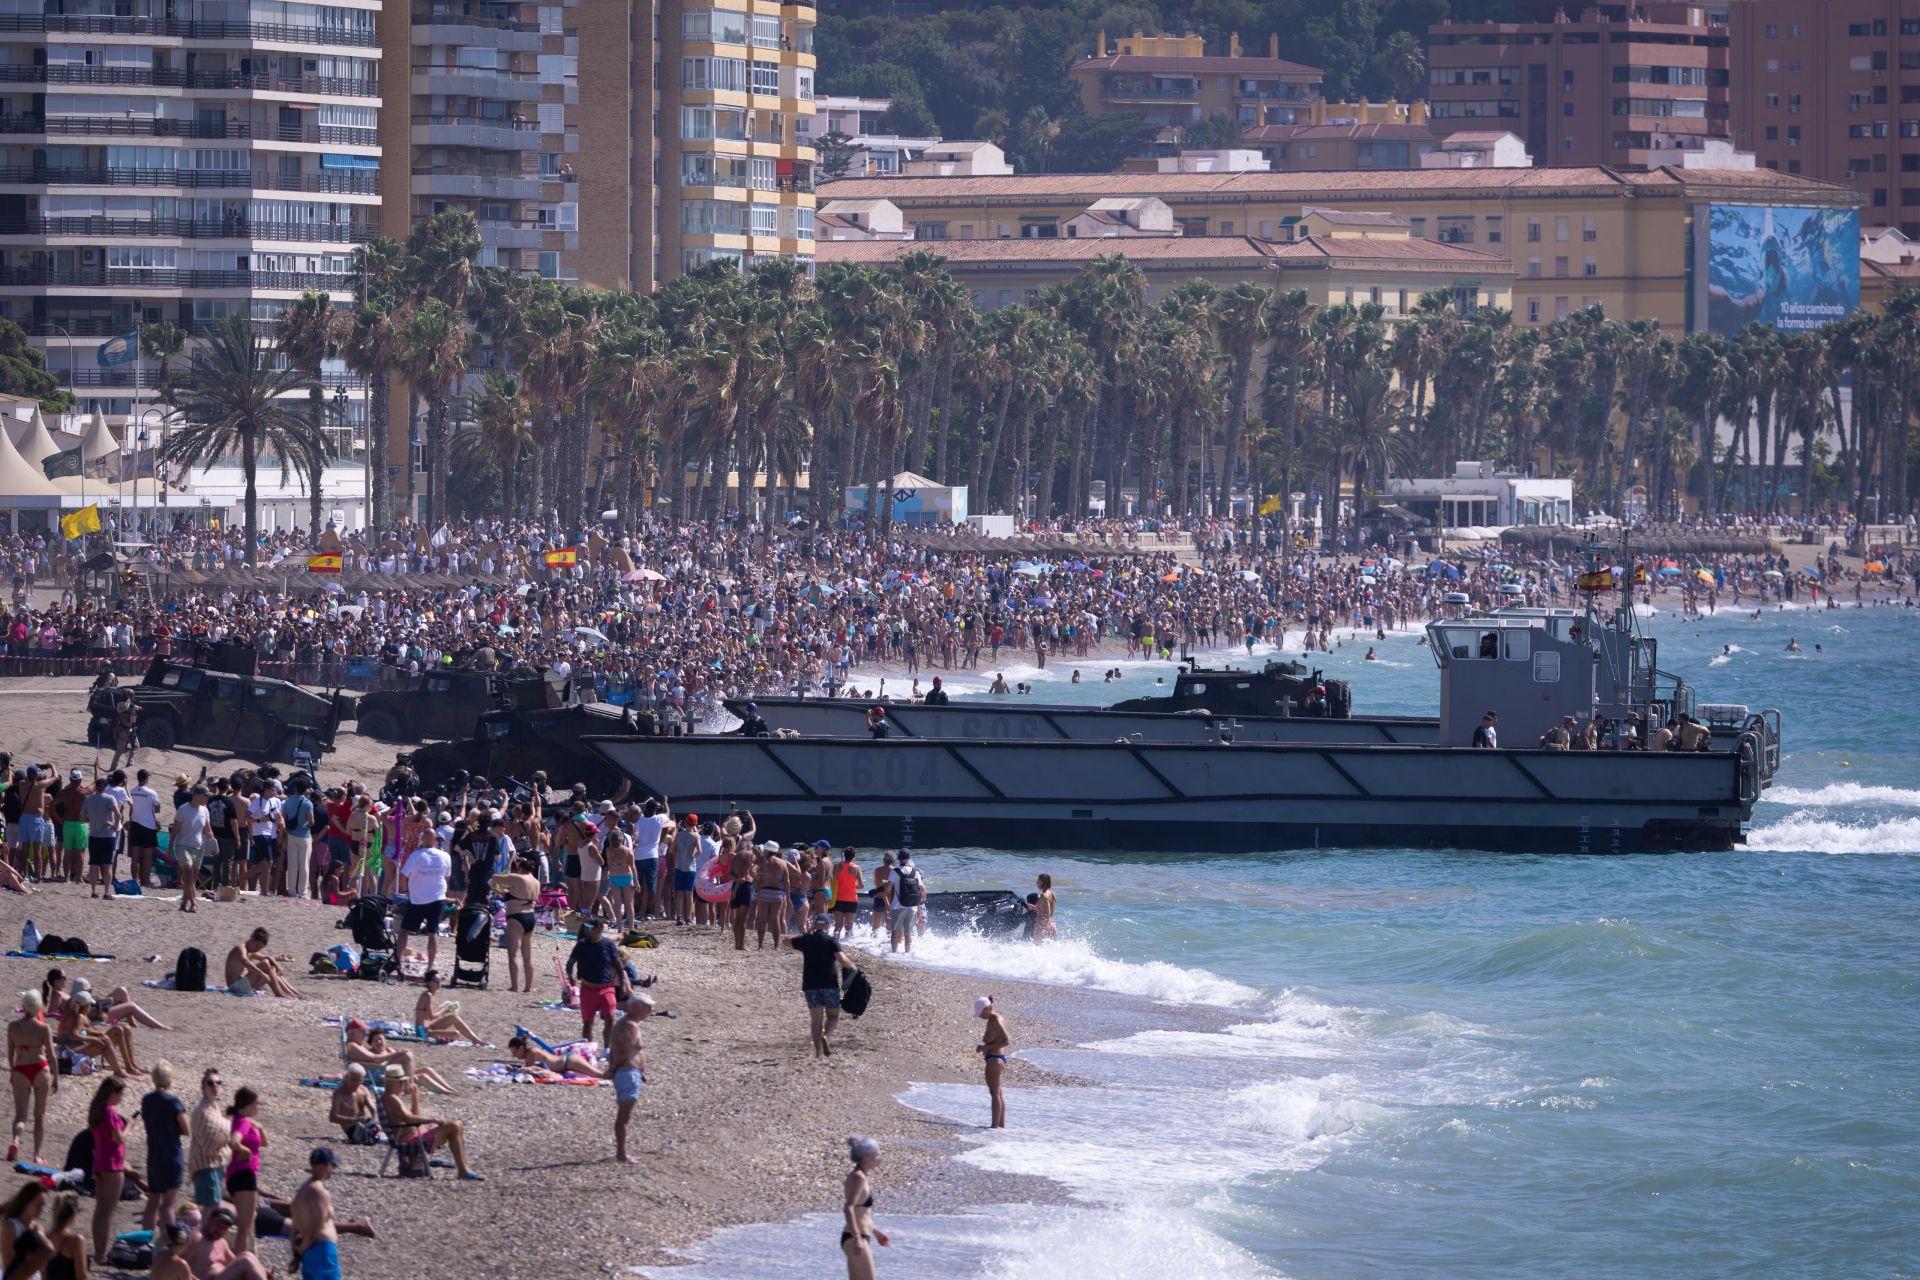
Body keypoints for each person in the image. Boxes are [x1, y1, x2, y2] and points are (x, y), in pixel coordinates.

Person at [378, 1065, 481, 1180]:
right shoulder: (391, 1098)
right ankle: (463, 1170)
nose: (403, 1085)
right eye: (402, 1082)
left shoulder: (391, 1097)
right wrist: (433, 1119)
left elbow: (412, 1116)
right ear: (395, 1083)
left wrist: (415, 1098)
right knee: (454, 1126)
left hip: (413, 1136)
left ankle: (464, 1169)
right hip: (410, 1141)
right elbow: (409, 1118)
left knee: (458, 1125)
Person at [790, 914, 855, 1058]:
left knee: (816, 1020)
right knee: (832, 1016)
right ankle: (826, 1035)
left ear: (814, 925)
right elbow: (842, 960)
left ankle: (818, 1053)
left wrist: (805, 934)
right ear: (828, 926)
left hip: (810, 985)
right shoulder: (830, 940)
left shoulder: (806, 940)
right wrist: (854, 968)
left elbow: (786, 941)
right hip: (829, 984)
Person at [7, 989, 55, 1166]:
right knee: (40, 1114)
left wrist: (13, 1072)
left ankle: (16, 1141)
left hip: (21, 1069)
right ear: (39, 1007)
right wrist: (56, 1076)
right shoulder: (43, 1028)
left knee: (20, 1115)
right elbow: (51, 1055)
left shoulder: (13, 1027)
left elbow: (10, 1055)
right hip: (40, 1069)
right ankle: (36, 1155)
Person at [141, 1061, 188, 1234]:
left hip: (154, 1154)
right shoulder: (173, 1101)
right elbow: (186, 1128)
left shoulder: (147, 1100)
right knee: (168, 1204)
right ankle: (167, 1240)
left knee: (152, 1201)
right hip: (172, 1154)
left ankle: (146, 1240)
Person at [565, 919, 626, 1047]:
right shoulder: (582, 944)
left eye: (590, 928)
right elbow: (570, 962)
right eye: (586, 928)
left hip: (607, 988)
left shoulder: (608, 944)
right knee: (588, 1023)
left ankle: (607, 1050)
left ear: (599, 929)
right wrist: (570, 975)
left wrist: (624, 983)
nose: (587, 930)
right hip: (587, 989)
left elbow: (618, 965)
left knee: (610, 1018)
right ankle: (589, 1049)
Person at [396, 833, 451, 975]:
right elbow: (447, 877)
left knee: (404, 930)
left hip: (418, 899)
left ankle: (397, 961)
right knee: (432, 933)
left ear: (423, 839)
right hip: (438, 897)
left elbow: (403, 876)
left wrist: (405, 890)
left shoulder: (416, 855)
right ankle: (430, 967)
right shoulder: (445, 856)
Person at [608, 994, 653, 1165]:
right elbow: (621, 1052)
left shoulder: (627, 1024)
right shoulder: (629, 1026)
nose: (650, 1010)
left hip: (630, 1073)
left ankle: (622, 1152)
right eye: (647, 1006)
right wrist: (612, 1070)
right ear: (636, 1007)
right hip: (627, 1074)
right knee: (624, 1117)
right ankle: (621, 1153)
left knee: (625, 1115)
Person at [86, 1076, 128, 1262]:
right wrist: (130, 1126)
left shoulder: (97, 1111)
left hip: (100, 1163)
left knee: (100, 1210)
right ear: (112, 1094)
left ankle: (98, 1252)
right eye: (119, 1094)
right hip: (112, 1164)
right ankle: (101, 1254)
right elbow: (119, 1138)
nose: (121, 1098)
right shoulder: (110, 1112)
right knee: (107, 1211)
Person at [288, 1148, 342, 1280]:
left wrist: (297, 1254)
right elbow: (316, 1229)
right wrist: (302, 1248)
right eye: (332, 1166)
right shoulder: (320, 1193)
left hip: (308, 1255)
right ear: (327, 1165)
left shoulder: (301, 1192)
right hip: (323, 1250)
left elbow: (295, 1230)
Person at [840, 1136, 889, 1280]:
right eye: (878, 1153)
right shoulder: (858, 1178)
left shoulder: (861, 1177)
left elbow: (861, 1212)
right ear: (866, 1156)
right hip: (855, 1237)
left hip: (858, 1236)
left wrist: (876, 1232)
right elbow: (849, 1208)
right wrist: (857, 1238)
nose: (880, 1157)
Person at [224, 1087, 265, 1258]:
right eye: (256, 1103)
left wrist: (260, 1128)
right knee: (244, 1226)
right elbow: (233, 1142)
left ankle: (251, 1257)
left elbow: (263, 1143)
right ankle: (239, 1266)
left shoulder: (242, 1120)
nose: (258, 1107)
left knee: (250, 1222)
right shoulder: (242, 1122)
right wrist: (245, 1151)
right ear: (247, 1105)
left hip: (241, 1175)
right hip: (243, 1175)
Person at [490, 856, 540, 993]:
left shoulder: (518, 878)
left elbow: (496, 877)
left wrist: (495, 881)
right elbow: (515, 895)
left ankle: (515, 986)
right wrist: (497, 889)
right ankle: (528, 987)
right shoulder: (536, 882)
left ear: (520, 868)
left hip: (516, 917)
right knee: (527, 955)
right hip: (530, 917)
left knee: (513, 953)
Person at [181, 1205, 272, 1280]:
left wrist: (262, 1271)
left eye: (224, 1228)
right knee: (245, 1260)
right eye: (217, 1224)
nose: (219, 1230)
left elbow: (235, 1262)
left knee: (247, 1255)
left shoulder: (222, 1243)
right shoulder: (197, 1239)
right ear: (209, 1219)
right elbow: (175, 1261)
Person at [187, 1069, 231, 1214]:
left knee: (213, 1206)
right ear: (203, 1088)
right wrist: (230, 1130)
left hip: (214, 1164)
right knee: (210, 1209)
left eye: (219, 1082)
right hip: (205, 1166)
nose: (215, 1086)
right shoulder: (203, 1111)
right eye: (210, 1083)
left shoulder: (214, 1108)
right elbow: (210, 1143)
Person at [168, 785, 213, 912]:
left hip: (199, 847)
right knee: (188, 871)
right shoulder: (183, 809)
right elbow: (175, 830)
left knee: (192, 879)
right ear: (197, 795)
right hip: (183, 845)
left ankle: (183, 904)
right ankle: (194, 904)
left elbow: (208, 830)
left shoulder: (205, 810)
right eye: (205, 796)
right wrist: (170, 848)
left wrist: (213, 842)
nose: (207, 799)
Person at [224, 928, 299, 999]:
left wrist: (277, 966)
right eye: (257, 946)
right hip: (235, 987)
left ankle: (292, 991)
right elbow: (245, 962)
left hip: (242, 984)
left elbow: (268, 957)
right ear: (252, 938)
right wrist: (262, 974)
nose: (257, 949)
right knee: (265, 964)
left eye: (260, 948)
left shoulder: (250, 950)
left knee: (272, 966)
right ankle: (278, 993)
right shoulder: (240, 948)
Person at [413, 971, 481, 1044]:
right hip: (423, 1032)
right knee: (456, 1034)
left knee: (453, 1017)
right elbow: (431, 1016)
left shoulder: (431, 995)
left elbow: (429, 1015)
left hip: (429, 1028)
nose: (438, 982)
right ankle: (476, 1040)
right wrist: (445, 1009)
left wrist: (444, 1007)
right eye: (436, 980)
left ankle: (476, 1040)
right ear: (429, 983)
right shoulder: (427, 995)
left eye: (440, 979)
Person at [80, 776, 120, 899]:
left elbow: (82, 817)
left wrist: (91, 820)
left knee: (94, 864)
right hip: (107, 835)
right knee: (107, 865)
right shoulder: (109, 798)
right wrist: (114, 826)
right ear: (106, 787)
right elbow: (117, 813)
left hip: (94, 835)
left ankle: (93, 891)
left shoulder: (89, 799)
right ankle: (107, 892)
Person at [1, 1182, 50, 1280]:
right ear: (26, 1202)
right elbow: (8, 1262)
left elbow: (43, 1263)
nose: (41, 1210)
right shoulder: (10, 1226)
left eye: (43, 1205)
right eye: (37, 1205)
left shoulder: (38, 1228)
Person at [975, 996, 1010, 1129]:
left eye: (981, 1013)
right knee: (998, 1092)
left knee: (995, 1093)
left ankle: (994, 1126)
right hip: (995, 1058)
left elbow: (1006, 1041)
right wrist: (984, 1046)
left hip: (995, 1059)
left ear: (988, 1008)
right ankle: (1000, 1125)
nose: (980, 1017)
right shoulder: (992, 1019)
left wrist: (986, 1047)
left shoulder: (996, 1020)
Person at [127, 768, 163, 888]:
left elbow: (131, 808)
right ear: (146, 779)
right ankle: (146, 881)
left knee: (135, 856)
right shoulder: (151, 793)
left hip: (135, 824)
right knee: (148, 855)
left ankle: (134, 880)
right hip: (148, 825)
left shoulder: (132, 791)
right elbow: (157, 809)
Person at [327, 1065, 378, 1146]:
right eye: (353, 1080)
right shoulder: (339, 1093)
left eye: (359, 1080)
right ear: (347, 1077)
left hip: (364, 1124)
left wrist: (374, 1123)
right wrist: (355, 1119)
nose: (356, 1083)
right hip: (351, 1128)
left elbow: (373, 1110)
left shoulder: (363, 1090)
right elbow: (332, 1117)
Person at [39, 1192, 83, 1280]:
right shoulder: (76, 1240)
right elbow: (82, 1276)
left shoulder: (44, 1238)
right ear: (73, 1214)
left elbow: (43, 1274)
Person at [887, 852, 924, 955]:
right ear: (909, 858)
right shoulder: (915, 872)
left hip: (897, 906)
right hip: (912, 906)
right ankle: (907, 955)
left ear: (898, 859)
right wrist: (920, 903)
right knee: (908, 933)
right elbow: (922, 889)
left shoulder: (894, 872)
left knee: (894, 932)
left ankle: (894, 954)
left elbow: (888, 889)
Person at [831, 848, 862, 940]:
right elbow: (861, 885)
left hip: (838, 899)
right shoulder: (857, 868)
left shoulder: (836, 866)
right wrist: (853, 886)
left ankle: (834, 943)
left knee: (837, 926)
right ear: (854, 856)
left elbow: (832, 881)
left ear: (844, 855)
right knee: (848, 927)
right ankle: (847, 943)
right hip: (851, 899)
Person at [1028, 873, 1057, 942]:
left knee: (1037, 947)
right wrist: (1035, 907)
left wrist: (1033, 907)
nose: (1036, 883)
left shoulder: (1043, 896)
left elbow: (1048, 912)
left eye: (1038, 881)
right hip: (1052, 924)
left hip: (1042, 924)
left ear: (1044, 883)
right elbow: (1049, 911)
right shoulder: (1052, 893)